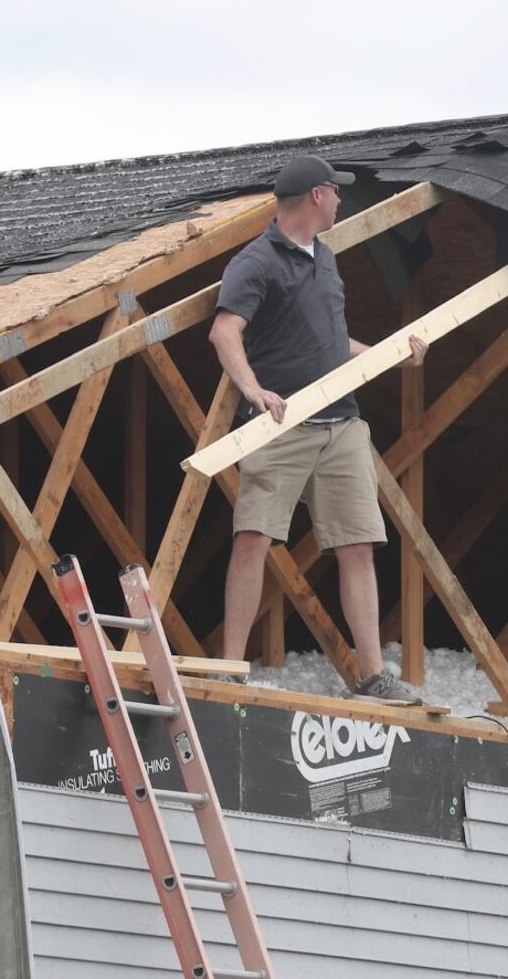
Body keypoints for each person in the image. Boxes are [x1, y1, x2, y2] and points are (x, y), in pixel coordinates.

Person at [208, 155, 428, 705]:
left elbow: (332, 343)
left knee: (358, 545)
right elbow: (224, 331)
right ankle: (230, 671)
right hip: (283, 426)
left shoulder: (325, 260)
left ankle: (373, 676)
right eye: (336, 191)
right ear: (315, 196)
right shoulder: (256, 261)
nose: (340, 201)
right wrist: (254, 390)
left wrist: (388, 355)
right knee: (253, 538)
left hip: (342, 423)